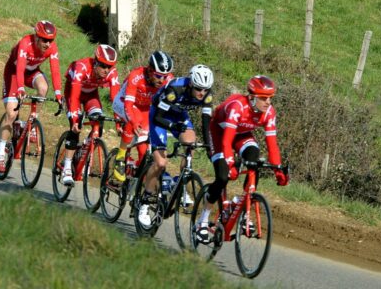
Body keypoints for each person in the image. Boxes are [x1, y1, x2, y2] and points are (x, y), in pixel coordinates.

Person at [195, 75, 288, 242]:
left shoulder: (269, 112)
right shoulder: (237, 106)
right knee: (223, 176)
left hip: (242, 134)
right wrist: (230, 163)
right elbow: (226, 141)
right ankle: (203, 220)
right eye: (263, 98)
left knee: (254, 159)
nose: (268, 102)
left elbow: (272, 145)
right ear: (252, 97)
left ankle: (243, 207)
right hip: (219, 133)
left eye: (270, 98)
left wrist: (278, 170)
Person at [136, 64, 215, 227]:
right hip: (159, 114)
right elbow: (158, 118)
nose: (202, 93)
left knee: (191, 144)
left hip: (179, 115)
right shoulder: (175, 90)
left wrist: (210, 148)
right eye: (198, 88)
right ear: (191, 84)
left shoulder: (207, 95)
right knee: (160, 163)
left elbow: (206, 124)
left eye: (205, 89)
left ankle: (179, 184)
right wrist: (172, 126)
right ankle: (145, 202)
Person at [0, 21, 62, 172]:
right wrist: (20, 88)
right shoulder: (25, 43)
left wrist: (58, 93)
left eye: (50, 40)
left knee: (43, 88)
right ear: (36, 37)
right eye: (44, 40)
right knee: (11, 114)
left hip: (31, 72)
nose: (47, 44)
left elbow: (55, 71)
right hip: (14, 73)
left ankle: (31, 123)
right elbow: (19, 68)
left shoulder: (52, 48)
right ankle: (0, 152)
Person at [110, 50, 175, 182]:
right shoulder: (136, 76)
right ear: (150, 70)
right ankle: (120, 157)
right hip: (123, 102)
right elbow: (128, 105)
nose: (161, 80)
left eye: (164, 76)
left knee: (144, 149)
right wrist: (134, 123)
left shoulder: (168, 80)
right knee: (135, 119)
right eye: (158, 76)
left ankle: (139, 179)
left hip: (144, 107)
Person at [59, 44, 119, 185]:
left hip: (91, 95)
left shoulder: (112, 73)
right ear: (95, 62)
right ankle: (66, 167)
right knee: (76, 126)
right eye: (103, 66)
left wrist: (118, 122)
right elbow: (74, 96)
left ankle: (84, 149)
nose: (106, 70)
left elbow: (115, 99)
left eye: (109, 67)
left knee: (99, 122)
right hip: (73, 93)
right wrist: (75, 119)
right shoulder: (82, 67)